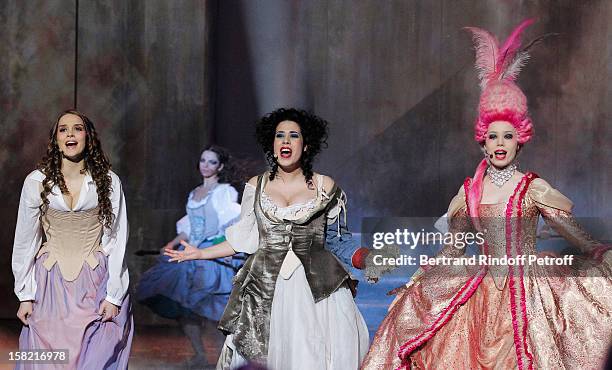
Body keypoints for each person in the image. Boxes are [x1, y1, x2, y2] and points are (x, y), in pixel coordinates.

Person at [362, 19, 612, 369]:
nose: (499, 144)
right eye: (493, 136)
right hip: (478, 292)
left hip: (527, 292)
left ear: (520, 138)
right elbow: (453, 250)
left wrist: (602, 255)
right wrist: (416, 282)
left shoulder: (533, 188)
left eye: (507, 136)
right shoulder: (469, 192)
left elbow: (578, 238)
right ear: (483, 140)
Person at [165, 108, 372, 369]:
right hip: (265, 288)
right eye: (279, 135)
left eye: (293, 135)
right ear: (272, 144)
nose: (285, 141)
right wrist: (199, 253)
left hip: (318, 289)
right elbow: (245, 239)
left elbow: (338, 239)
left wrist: (368, 259)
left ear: (306, 145)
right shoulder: (257, 186)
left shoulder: (325, 186)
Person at [12, 110, 133, 369]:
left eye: (77, 128)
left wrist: (113, 296)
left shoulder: (108, 182)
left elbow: (116, 238)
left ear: (88, 137)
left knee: (93, 357)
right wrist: (24, 294)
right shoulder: (37, 181)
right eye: (63, 129)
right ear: (55, 139)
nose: (70, 133)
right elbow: (25, 241)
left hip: (94, 281)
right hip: (50, 284)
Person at [137, 144, 243, 366]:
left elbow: (231, 224)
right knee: (184, 306)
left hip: (209, 253)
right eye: (203, 160)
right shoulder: (194, 192)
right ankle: (200, 355)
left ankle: (229, 358)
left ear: (220, 166)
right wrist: (172, 243)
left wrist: (224, 248)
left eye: (212, 162)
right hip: (189, 252)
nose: (206, 165)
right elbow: (189, 227)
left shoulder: (225, 192)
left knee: (214, 308)